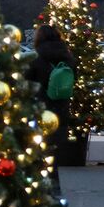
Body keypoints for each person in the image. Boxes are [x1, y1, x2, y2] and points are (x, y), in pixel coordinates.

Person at [26, 24, 83, 184]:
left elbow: (26, 82)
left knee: (37, 150)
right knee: (54, 151)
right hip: (61, 110)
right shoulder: (69, 58)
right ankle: (54, 184)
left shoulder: (36, 59)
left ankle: (40, 184)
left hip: (41, 109)